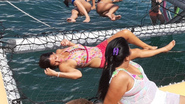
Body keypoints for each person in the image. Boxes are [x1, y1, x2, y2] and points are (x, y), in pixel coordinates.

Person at [97, 37, 185, 104]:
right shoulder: (120, 77)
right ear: (126, 57)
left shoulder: (123, 60)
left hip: (159, 96)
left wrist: (164, 49)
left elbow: (140, 52)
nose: (132, 51)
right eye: (130, 49)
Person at [39, 29, 175, 80]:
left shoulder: (60, 51)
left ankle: (147, 45)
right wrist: (56, 74)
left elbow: (77, 49)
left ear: (52, 53)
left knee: (125, 34)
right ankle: (163, 49)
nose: (58, 61)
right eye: (55, 64)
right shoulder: (64, 67)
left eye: (55, 58)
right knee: (134, 53)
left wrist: (69, 43)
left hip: (102, 47)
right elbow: (78, 75)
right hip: (108, 57)